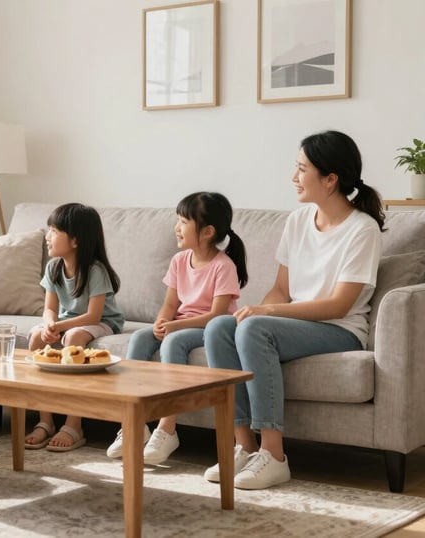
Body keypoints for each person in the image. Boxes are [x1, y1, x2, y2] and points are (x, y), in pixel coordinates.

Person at [203, 130, 385, 490]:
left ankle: (275, 456)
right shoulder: (297, 221)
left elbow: (339, 304)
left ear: (330, 180)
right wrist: (261, 308)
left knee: (255, 328)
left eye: (302, 169)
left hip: (339, 329)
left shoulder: (362, 231)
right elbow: (282, 289)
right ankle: (244, 445)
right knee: (220, 327)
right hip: (298, 324)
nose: (293, 177)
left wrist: (265, 317)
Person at [106, 192, 248, 464]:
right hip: (180, 322)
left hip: (210, 328)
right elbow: (170, 303)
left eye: (183, 221)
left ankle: (167, 428)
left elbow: (216, 315)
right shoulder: (179, 261)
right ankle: (133, 425)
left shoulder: (223, 266)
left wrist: (174, 327)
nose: (176, 227)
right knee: (139, 339)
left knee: (173, 342)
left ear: (207, 232)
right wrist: (161, 322)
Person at [24, 203, 124, 452]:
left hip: (102, 322)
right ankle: (45, 420)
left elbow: (94, 314)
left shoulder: (95, 270)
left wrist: (60, 326)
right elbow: (49, 308)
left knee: (73, 338)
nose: (47, 237)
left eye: (54, 231)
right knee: (36, 338)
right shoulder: (53, 267)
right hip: (67, 320)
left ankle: (73, 423)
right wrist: (49, 324)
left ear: (76, 240)